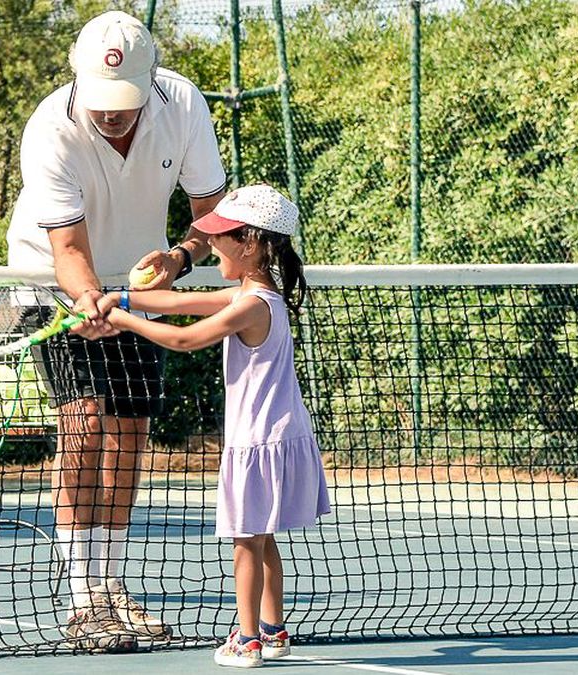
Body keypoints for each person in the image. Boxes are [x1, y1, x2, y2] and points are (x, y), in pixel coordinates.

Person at [5, 10, 228, 650]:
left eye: (125, 100)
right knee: (83, 423)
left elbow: (211, 215)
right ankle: (84, 599)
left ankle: (112, 586)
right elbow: (69, 250)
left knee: (130, 432)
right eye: (102, 100)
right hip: (55, 285)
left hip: (140, 285)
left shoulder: (183, 105)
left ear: (151, 80)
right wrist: (88, 302)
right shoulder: (50, 128)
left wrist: (180, 259)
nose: (111, 114)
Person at [102, 184, 331, 668]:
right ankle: (272, 630)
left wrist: (125, 319)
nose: (211, 243)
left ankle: (247, 640)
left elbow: (185, 340)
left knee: (246, 541)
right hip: (278, 436)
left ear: (249, 243)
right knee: (262, 538)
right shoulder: (255, 294)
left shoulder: (251, 304)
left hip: (259, 440)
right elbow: (181, 304)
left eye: (220, 236)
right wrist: (118, 298)